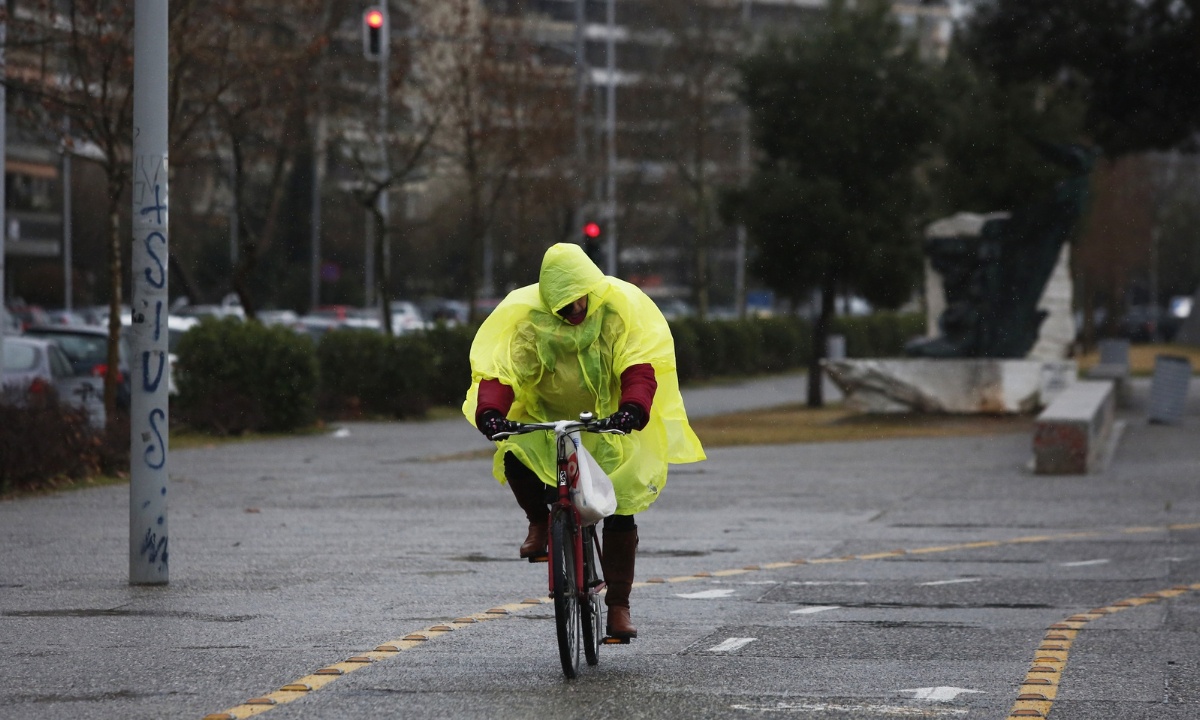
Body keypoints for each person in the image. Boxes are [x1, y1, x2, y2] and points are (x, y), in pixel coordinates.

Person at [463, 243, 705, 639]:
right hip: (545, 419)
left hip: (607, 424)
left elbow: (639, 367)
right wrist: (491, 412)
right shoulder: (531, 323)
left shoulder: (617, 316)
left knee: (620, 509)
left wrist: (632, 410)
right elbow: (503, 373)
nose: (573, 313)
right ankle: (540, 524)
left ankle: (619, 608)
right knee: (513, 452)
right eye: (563, 308)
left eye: (579, 303)